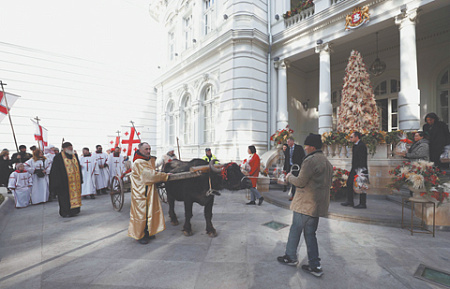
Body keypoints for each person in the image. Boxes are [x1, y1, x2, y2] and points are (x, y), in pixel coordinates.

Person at [277, 133, 333, 278]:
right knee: (310, 234)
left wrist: (289, 177)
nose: (305, 147)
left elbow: (301, 181)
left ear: (312, 146)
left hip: (305, 204)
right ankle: (315, 265)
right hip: (317, 206)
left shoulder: (310, 161)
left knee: (295, 230)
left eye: (307, 145)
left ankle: (290, 257)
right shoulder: (326, 161)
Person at [128, 142, 169, 244]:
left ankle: (148, 232)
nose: (148, 151)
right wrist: (165, 176)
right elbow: (150, 176)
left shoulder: (147, 160)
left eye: (149, 149)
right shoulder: (139, 162)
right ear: (140, 150)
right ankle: (139, 235)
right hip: (141, 193)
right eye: (146, 149)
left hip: (148, 191)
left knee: (148, 213)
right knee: (141, 215)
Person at [49, 142, 83, 218]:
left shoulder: (74, 156)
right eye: (69, 148)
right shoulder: (58, 157)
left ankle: (75, 210)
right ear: (64, 149)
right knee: (64, 198)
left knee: (75, 197)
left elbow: (78, 168)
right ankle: (65, 212)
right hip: (63, 182)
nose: (71, 149)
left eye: (71, 147)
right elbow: (55, 171)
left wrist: (81, 179)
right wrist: (57, 183)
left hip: (75, 181)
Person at [341, 131, 368, 209]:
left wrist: (360, 171)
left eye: (351, 137)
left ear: (357, 137)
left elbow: (362, 159)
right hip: (355, 168)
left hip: (361, 169)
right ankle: (350, 201)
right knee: (349, 183)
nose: (350, 139)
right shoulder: (355, 146)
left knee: (362, 186)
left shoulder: (362, 145)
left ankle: (363, 203)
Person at [284, 136, 306, 201]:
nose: (287, 143)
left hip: (297, 167)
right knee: (292, 182)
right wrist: (284, 168)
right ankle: (293, 195)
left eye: (288, 142)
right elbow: (286, 159)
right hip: (290, 167)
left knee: (296, 181)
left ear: (292, 141)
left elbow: (303, 157)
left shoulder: (299, 148)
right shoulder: (287, 149)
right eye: (287, 142)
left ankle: (297, 195)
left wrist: (302, 166)